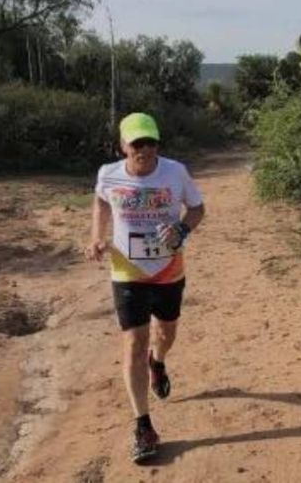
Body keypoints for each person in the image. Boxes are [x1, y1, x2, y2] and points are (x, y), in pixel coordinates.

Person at [85, 112, 205, 463]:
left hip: (168, 269)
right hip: (126, 270)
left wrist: (182, 230)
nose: (145, 149)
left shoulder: (175, 172)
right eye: (137, 143)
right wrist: (96, 237)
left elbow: (197, 208)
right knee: (134, 342)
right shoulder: (108, 174)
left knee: (165, 335)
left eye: (151, 141)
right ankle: (143, 426)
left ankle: (159, 361)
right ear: (123, 146)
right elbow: (101, 201)